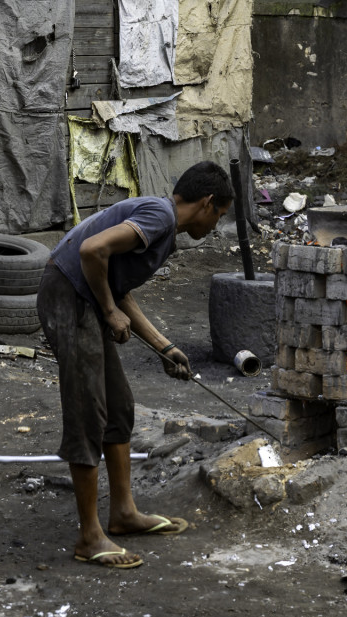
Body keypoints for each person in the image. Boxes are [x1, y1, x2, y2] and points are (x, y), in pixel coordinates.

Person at [37, 161, 234, 569]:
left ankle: (123, 514)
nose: (217, 225)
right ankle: (89, 537)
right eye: (220, 215)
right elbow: (91, 251)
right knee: (88, 410)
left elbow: (117, 286)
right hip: (68, 296)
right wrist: (109, 312)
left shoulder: (163, 228)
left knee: (119, 406)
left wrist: (164, 346)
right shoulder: (160, 216)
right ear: (207, 202)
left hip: (85, 298)